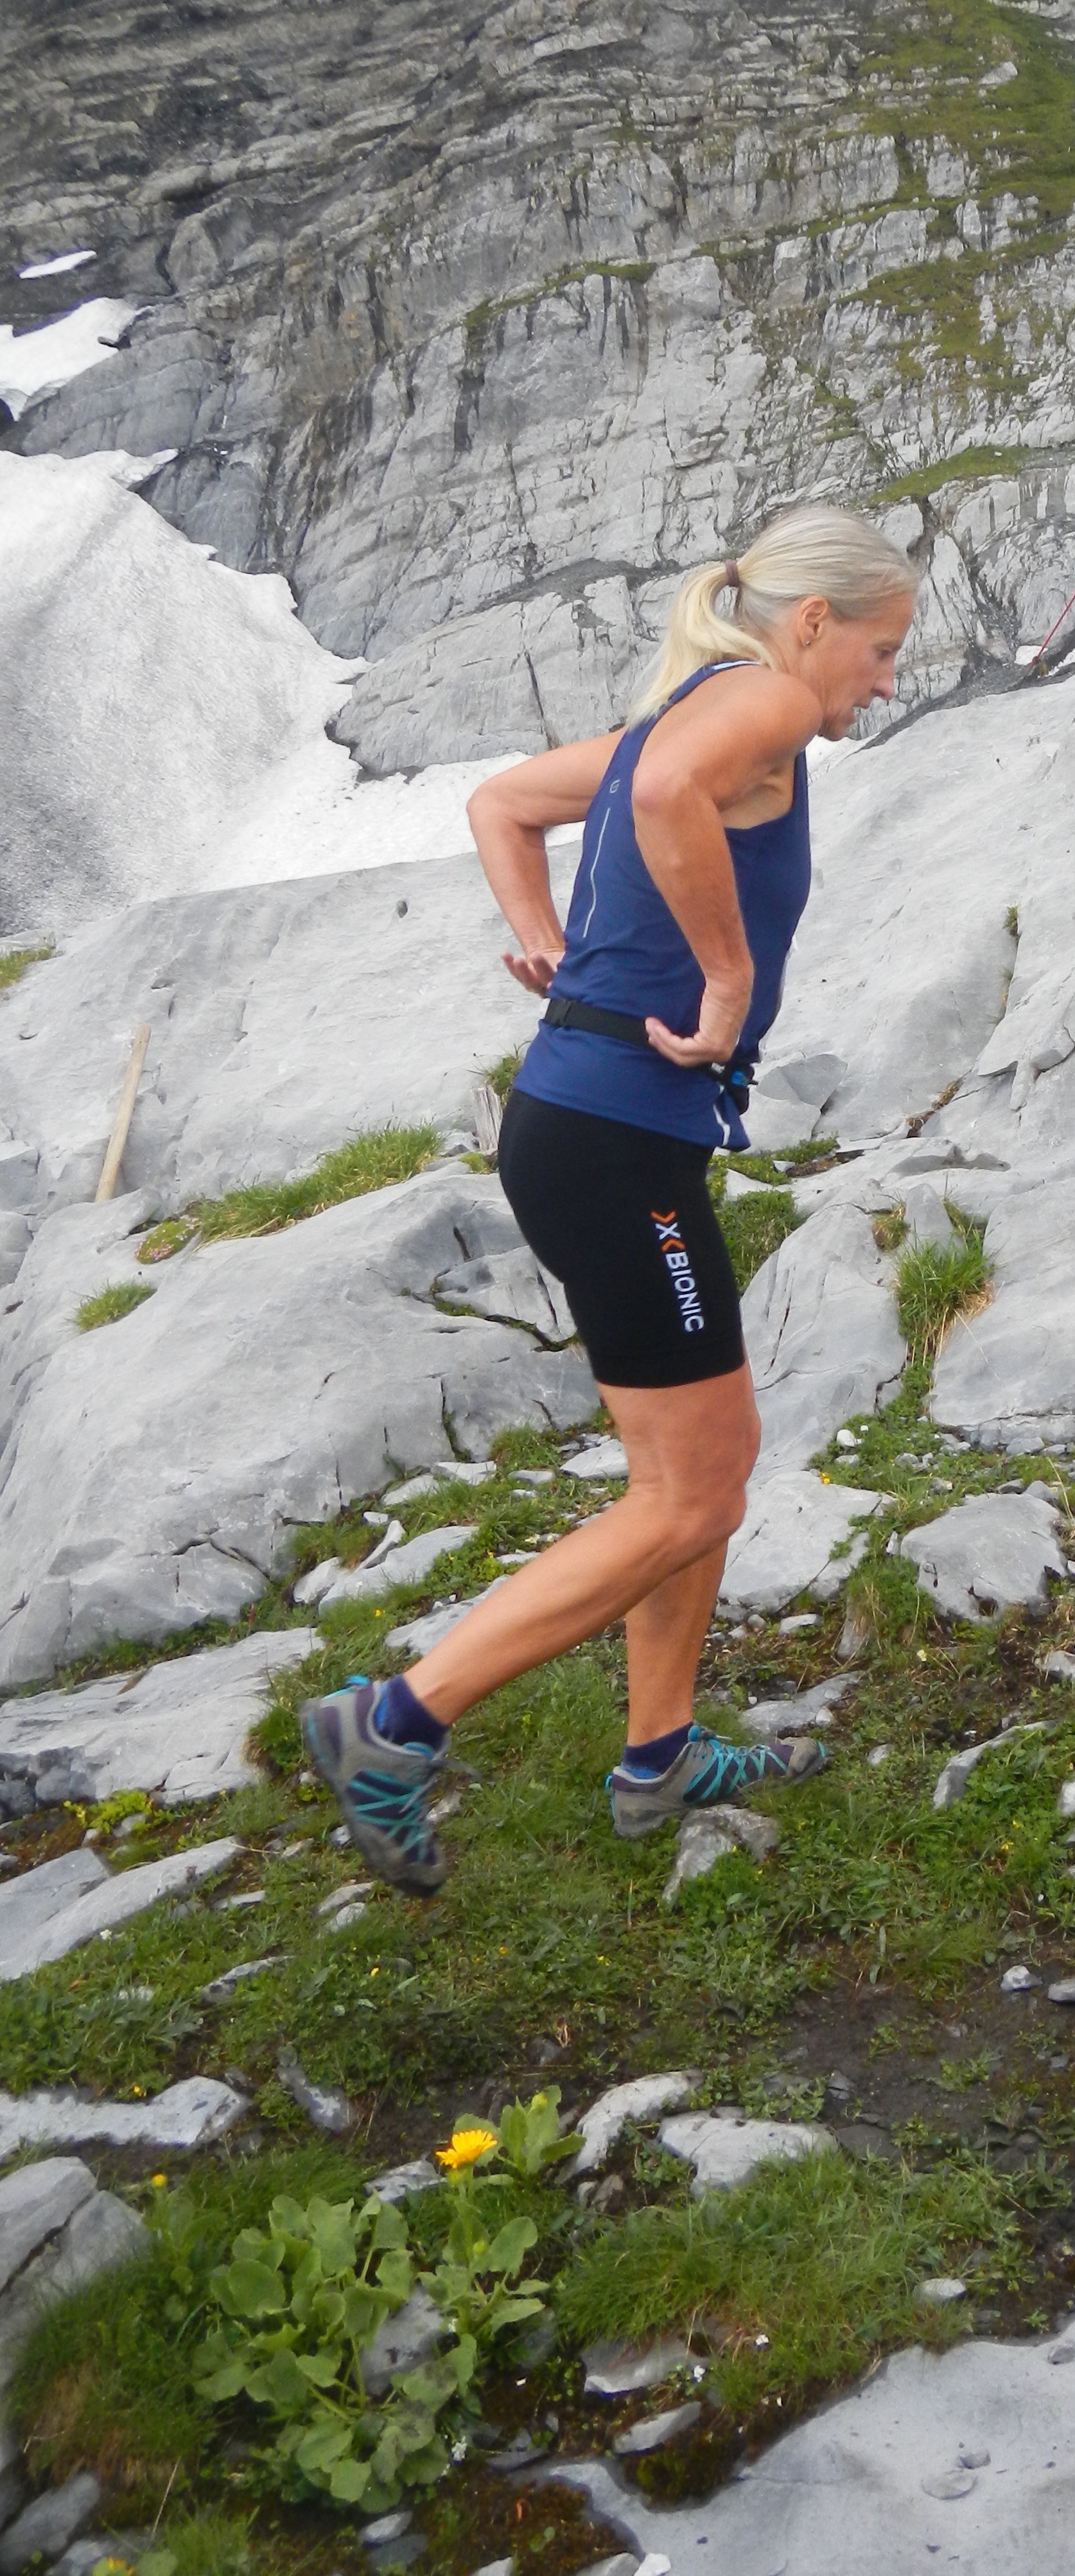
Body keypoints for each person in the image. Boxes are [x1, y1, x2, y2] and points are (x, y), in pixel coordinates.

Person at [302, 506, 919, 1895]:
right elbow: (661, 797)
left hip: (584, 1129)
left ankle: (660, 1754)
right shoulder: (760, 701)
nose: (886, 681)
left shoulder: (685, 712)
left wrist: (546, 942)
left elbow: (503, 803)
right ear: (812, 622)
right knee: (696, 1490)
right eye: (881, 650)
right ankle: (391, 1723)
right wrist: (728, 978)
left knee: (691, 1479)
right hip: (616, 1147)